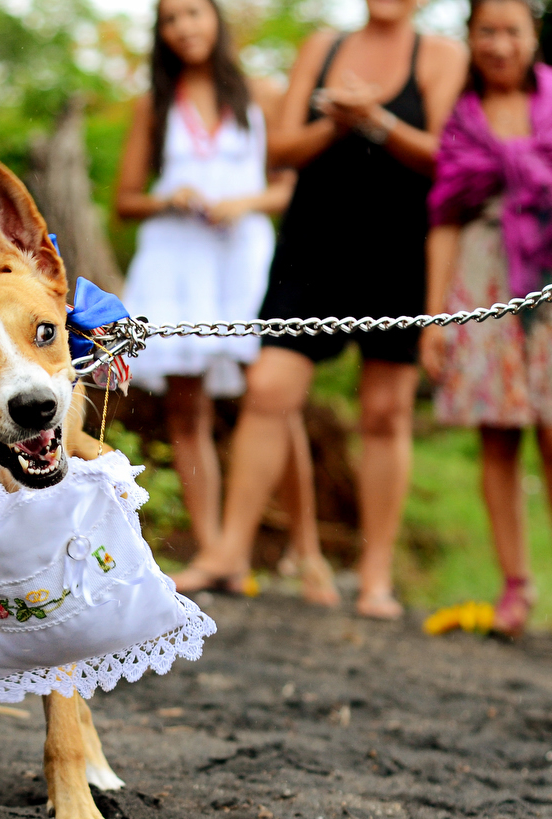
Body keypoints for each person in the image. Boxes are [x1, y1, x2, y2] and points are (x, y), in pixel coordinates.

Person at [174, 0, 468, 619]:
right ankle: (229, 551)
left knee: (386, 413)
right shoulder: (321, 47)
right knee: (269, 389)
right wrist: (337, 124)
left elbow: (448, 159)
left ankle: (375, 576)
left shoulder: (442, 55)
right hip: (313, 242)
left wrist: (377, 121)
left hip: (398, 247)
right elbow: (276, 149)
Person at [116, 0, 337, 602]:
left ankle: (306, 550)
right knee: (187, 409)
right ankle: (219, 553)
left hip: (242, 260)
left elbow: (287, 185)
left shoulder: (261, 95)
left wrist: (243, 203)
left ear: (216, 19)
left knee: (274, 396)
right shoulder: (154, 106)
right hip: (177, 262)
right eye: (172, 18)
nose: (185, 27)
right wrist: (171, 197)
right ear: (161, 33)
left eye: (195, 13)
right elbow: (125, 198)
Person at [420, 0, 552, 645]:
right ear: (470, 38)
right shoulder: (461, 116)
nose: (500, 45)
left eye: (512, 32)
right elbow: (443, 218)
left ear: (534, 36)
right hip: (482, 270)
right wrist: (435, 316)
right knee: (497, 434)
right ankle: (515, 586)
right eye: (487, 32)